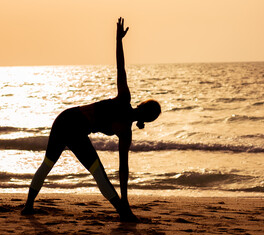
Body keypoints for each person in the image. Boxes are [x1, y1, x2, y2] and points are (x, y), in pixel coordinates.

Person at [21, 17, 161, 222]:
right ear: (146, 115)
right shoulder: (124, 106)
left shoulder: (126, 128)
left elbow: (124, 169)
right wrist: (118, 41)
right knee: (95, 172)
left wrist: (118, 40)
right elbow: (120, 68)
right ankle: (122, 212)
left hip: (65, 120)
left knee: (50, 164)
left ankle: (28, 206)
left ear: (143, 109)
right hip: (71, 124)